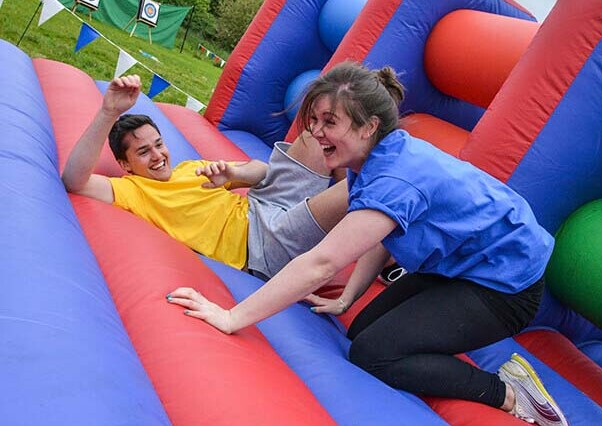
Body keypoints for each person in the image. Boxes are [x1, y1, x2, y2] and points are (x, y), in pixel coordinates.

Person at [166, 62, 568, 426]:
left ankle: (511, 392)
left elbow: (321, 263)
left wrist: (232, 317)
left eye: (329, 122)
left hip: (506, 285)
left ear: (368, 126)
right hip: (463, 264)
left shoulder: (395, 177)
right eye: (315, 120)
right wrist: (348, 298)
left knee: (373, 355)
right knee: (361, 331)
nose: (316, 132)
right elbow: (384, 231)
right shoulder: (373, 159)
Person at [62, 74, 348, 279]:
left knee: (316, 136)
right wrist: (108, 111)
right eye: (144, 152)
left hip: (263, 205)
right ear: (125, 165)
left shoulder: (190, 169)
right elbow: (76, 181)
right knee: (351, 189)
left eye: (159, 144)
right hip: (262, 246)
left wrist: (234, 173)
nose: (158, 155)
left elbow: (262, 171)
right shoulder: (132, 190)